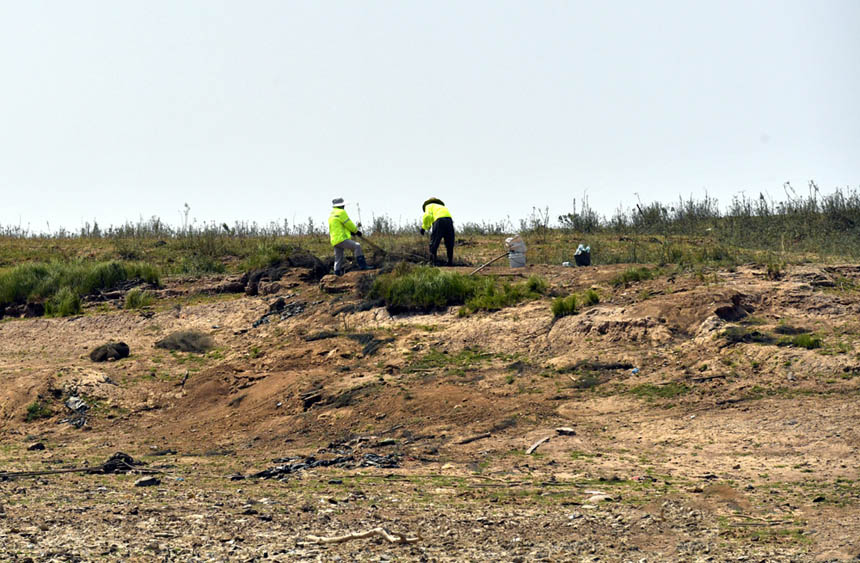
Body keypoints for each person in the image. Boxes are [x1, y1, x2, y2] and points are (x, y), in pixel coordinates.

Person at [328, 197, 369, 276]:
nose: (344, 207)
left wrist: (350, 233)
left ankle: (337, 273)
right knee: (357, 246)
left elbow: (339, 227)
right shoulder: (341, 212)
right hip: (341, 239)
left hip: (334, 240)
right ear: (341, 206)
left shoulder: (331, 214)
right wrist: (356, 231)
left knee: (338, 257)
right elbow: (348, 223)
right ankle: (363, 266)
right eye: (343, 205)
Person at [420, 198, 455, 266]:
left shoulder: (429, 206)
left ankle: (432, 262)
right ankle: (450, 262)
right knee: (449, 242)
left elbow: (427, 216)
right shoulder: (442, 207)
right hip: (449, 220)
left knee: (434, 242)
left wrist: (424, 227)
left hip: (439, 220)